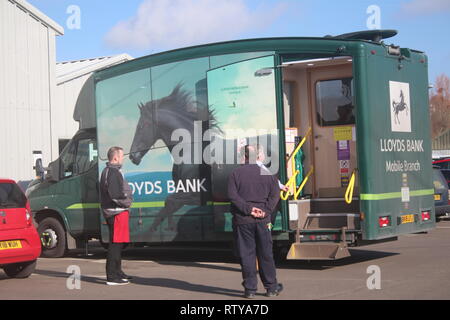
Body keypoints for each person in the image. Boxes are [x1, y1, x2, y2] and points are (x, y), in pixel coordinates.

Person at [228, 144, 283, 298]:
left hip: (243, 220)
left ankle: (250, 289)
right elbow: (275, 195)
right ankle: (271, 287)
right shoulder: (268, 173)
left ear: (244, 157)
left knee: (247, 255)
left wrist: (249, 209)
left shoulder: (235, 174)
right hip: (263, 221)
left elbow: (233, 196)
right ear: (258, 156)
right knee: (266, 253)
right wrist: (264, 211)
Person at [100, 146, 133, 286]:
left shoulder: (111, 171)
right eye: (121, 155)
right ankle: (112, 276)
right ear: (115, 158)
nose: (123, 158)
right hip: (116, 211)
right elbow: (115, 194)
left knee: (119, 243)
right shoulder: (112, 172)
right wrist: (126, 202)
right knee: (115, 244)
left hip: (117, 211)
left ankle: (118, 272)